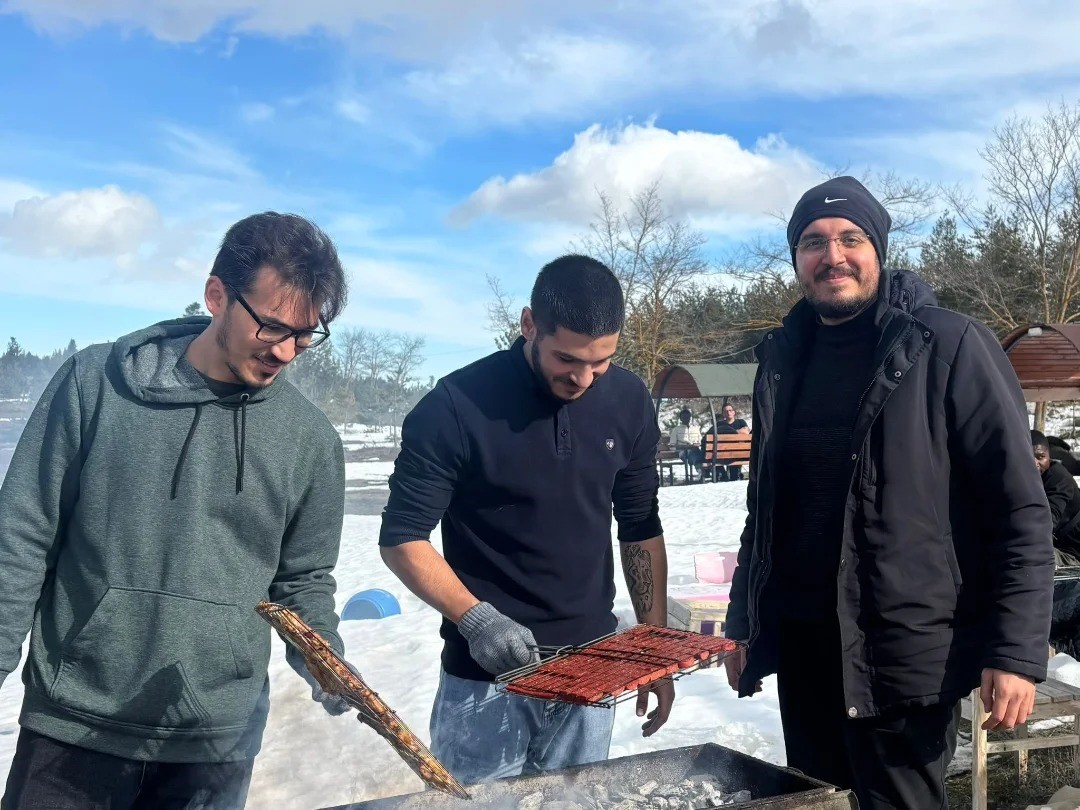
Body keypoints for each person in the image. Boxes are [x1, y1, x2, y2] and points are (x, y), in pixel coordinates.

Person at [0, 212, 352, 809]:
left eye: (306, 334)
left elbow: (302, 581)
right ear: (217, 295)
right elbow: (23, 535)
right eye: (272, 327)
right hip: (75, 723)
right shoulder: (95, 385)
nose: (287, 352)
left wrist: (324, 658)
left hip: (215, 741)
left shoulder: (310, 441)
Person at [723, 176, 1054, 809]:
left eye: (851, 238)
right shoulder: (781, 360)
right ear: (797, 258)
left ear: (879, 248)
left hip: (905, 659)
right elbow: (764, 512)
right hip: (807, 649)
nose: (833, 255)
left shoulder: (948, 344)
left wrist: (1015, 651)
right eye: (814, 242)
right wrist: (745, 622)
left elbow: (1018, 508)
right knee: (816, 800)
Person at [379, 255, 674, 785]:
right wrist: (476, 620)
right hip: (486, 678)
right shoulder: (455, 406)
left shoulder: (628, 400)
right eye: (567, 359)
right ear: (528, 324)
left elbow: (639, 526)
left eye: (601, 360)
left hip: (594, 666)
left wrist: (651, 644)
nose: (584, 378)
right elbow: (402, 538)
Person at [1033, 430, 1080, 567]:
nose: (1035, 463)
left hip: (1074, 556)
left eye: (1040, 457)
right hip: (1059, 548)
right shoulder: (1027, 478)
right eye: (1028, 457)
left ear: (1049, 457)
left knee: (1027, 551)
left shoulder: (1058, 478)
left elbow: (1047, 522)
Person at [702, 404, 749, 481]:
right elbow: (707, 436)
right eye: (726, 411)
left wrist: (729, 432)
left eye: (730, 410)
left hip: (735, 454)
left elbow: (746, 432)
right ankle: (732, 476)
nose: (728, 412)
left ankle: (724, 475)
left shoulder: (740, 422)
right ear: (723, 414)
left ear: (734, 412)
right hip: (730, 455)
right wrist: (738, 432)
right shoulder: (719, 424)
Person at [670, 408, 703, 477]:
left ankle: (704, 470)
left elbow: (700, 441)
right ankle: (700, 470)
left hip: (695, 450)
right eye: (684, 417)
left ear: (690, 417)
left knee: (700, 452)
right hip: (683, 452)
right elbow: (672, 445)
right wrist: (680, 447)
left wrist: (697, 444)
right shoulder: (676, 430)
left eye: (688, 417)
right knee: (692, 452)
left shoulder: (696, 428)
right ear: (680, 418)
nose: (686, 419)